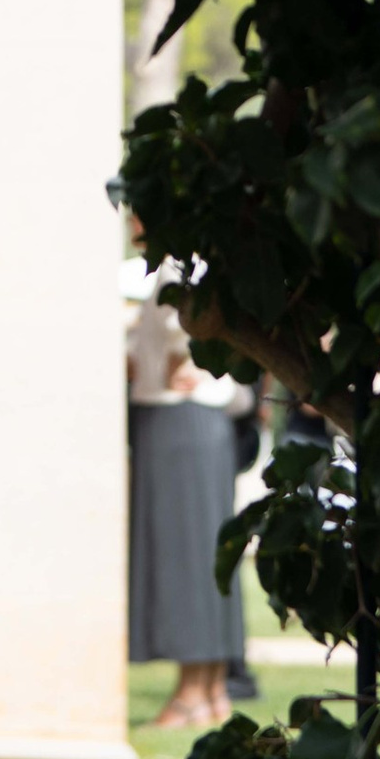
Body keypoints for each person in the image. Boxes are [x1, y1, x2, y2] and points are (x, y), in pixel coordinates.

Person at [126, 270, 248, 730]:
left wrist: (181, 358)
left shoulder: (180, 264)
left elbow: (186, 327)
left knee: (187, 555)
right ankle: (211, 687)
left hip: (180, 420)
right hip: (201, 422)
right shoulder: (200, 260)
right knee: (208, 554)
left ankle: (193, 692)